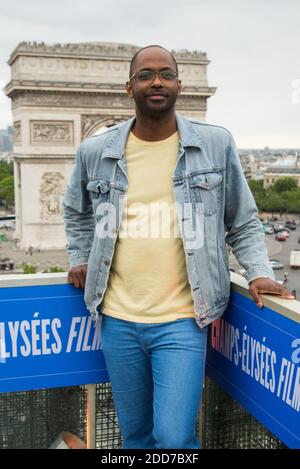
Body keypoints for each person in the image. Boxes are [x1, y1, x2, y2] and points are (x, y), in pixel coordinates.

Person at [62, 45, 295, 449]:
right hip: (116, 317)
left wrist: (259, 272)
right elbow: (75, 210)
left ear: (179, 85)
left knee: (173, 437)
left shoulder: (215, 143)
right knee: (134, 435)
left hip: (184, 318)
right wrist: (81, 256)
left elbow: (241, 218)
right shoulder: (94, 152)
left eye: (166, 74)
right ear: (129, 86)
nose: (157, 82)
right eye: (146, 74)